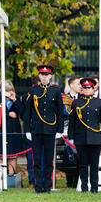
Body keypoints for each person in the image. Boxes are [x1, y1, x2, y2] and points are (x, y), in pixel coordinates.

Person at [23, 64, 64, 193]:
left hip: (50, 130)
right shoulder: (33, 91)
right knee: (37, 160)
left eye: (47, 75)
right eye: (42, 75)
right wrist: (27, 130)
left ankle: (47, 186)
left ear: (50, 76)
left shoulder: (56, 91)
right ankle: (38, 186)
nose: (45, 77)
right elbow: (27, 112)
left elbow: (59, 112)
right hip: (36, 130)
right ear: (39, 76)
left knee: (48, 160)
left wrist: (60, 130)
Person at [68, 78, 101, 193]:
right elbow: (73, 122)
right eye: (85, 88)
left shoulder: (99, 102)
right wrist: (71, 136)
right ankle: (84, 188)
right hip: (80, 138)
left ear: (93, 89)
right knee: (83, 165)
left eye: (89, 88)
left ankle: (94, 188)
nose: (87, 90)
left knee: (94, 165)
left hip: (95, 138)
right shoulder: (76, 103)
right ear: (82, 89)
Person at [62, 75, 82, 188]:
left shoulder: (82, 97)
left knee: (80, 155)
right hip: (67, 129)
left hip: (80, 129)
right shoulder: (64, 98)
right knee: (69, 155)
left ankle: (79, 179)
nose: (80, 86)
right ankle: (69, 180)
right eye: (77, 84)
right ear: (71, 85)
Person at [3, 80, 24, 175]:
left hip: (14, 129)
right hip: (3, 128)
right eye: (7, 90)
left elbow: (21, 111)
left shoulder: (17, 98)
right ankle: (2, 177)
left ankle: (11, 177)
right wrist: (8, 114)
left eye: (11, 90)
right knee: (1, 155)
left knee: (12, 155)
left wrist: (15, 100)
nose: (9, 92)